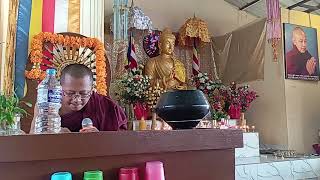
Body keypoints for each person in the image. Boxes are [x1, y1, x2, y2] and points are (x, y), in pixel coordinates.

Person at [30, 64, 127, 133]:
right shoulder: (47, 103)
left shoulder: (104, 105)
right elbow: (32, 139)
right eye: (70, 93)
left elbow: (120, 143)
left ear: (91, 90)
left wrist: (99, 138)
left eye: (84, 93)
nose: (77, 99)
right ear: (60, 89)